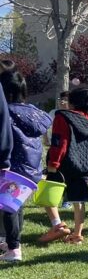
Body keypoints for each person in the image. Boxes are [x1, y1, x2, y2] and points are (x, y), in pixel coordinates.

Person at [0, 69, 51, 262]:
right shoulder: (34, 112)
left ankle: (14, 249)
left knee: (7, 208)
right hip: (31, 168)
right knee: (15, 205)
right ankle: (14, 242)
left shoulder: (8, 113)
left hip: (12, 166)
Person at [39, 87, 88, 245]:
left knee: (48, 196)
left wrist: (53, 163)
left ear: (73, 101)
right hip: (82, 167)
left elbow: (60, 141)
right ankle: (77, 235)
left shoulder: (63, 116)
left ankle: (57, 225)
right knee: (78, 200)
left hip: (62, 164)